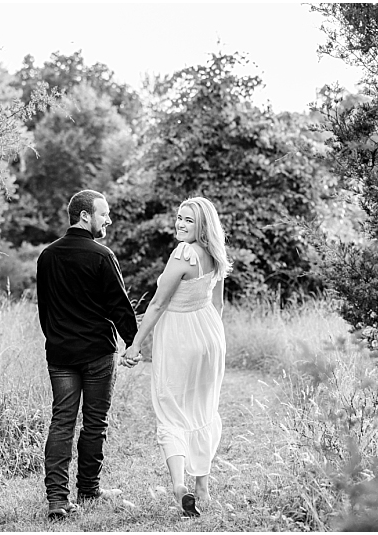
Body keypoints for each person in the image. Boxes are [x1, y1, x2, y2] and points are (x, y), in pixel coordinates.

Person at [36, 189, 142, 520]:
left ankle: (57, 499)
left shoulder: (47, 256)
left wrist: (56, 339)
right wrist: (132, 341)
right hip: (96, 353)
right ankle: (88, 490)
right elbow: (118, 304)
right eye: (104, 213)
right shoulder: (101, 255)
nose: (108, 219)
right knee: (94, 422)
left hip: (61, 355)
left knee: (62, 421)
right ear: (86, 216)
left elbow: (45, 309)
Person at [124, 196, 232, 518]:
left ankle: (178, 487)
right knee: (203, 408)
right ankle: (203, 486)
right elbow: (220, 305)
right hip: (210, 335)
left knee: (171, 410)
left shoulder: (183, 255)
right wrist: (208, 340)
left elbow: (157, 305)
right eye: (179, 217)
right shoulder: (216, 254)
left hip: (180, 336)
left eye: (188, 220)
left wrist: (135, 345)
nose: (179, 224)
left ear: (201, 225)